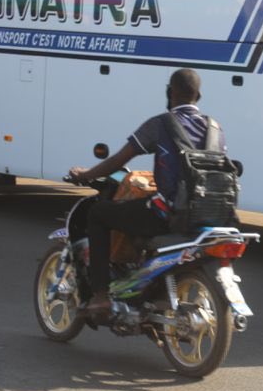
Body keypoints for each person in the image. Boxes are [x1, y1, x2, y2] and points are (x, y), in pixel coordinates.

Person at [64, 68, 225, 320]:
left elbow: (118, 160)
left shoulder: (161, 124)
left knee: (98, 213)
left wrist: (85, 174)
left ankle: (100, 295)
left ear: (170, 92)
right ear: (199, 96)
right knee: (139, 208)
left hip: (170, 215)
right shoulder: (215, 128)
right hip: (209, 215)